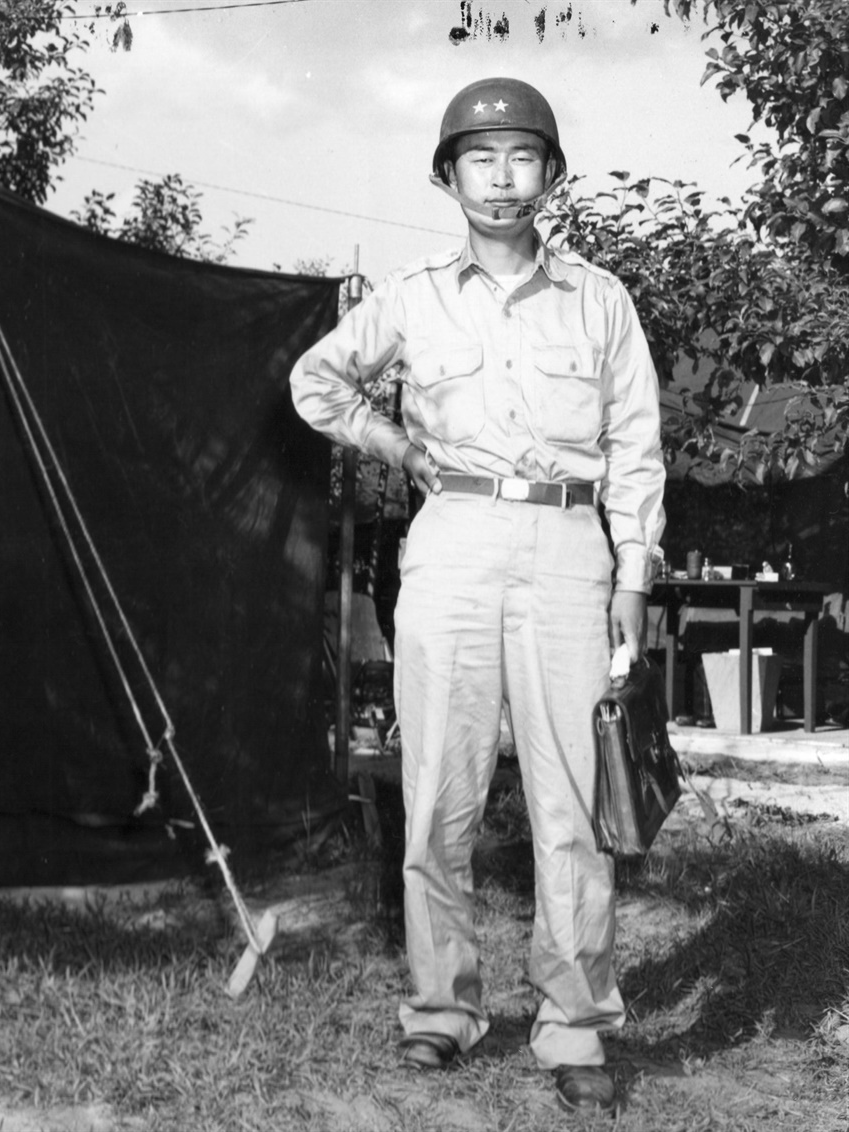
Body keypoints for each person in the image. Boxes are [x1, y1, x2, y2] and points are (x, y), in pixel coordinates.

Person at [290, 77, 665, 1115]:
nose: (501, 181)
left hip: (566, 545)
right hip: (450, 541)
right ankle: (439, 1009)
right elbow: (315, 383)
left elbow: (635, 450)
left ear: (550, 172)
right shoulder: (411, 294)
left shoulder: (599, 299)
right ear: (447, 174)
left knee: (570, 804)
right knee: (439, 793)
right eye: (479, 160)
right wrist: (393, 443)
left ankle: (574, 1021)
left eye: (521, 158)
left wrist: (632, 573)